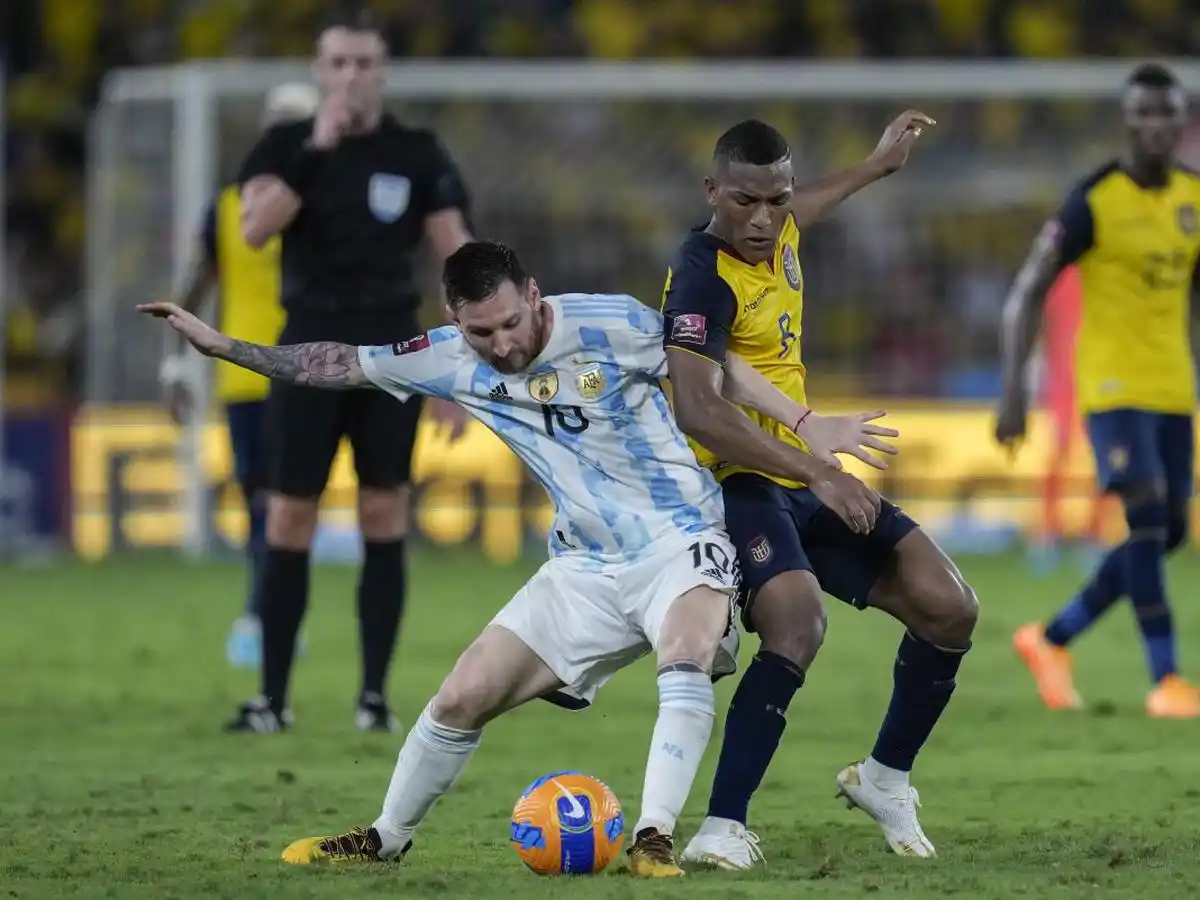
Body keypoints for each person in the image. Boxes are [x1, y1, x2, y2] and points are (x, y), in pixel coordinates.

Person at [139, 240, 894, 876]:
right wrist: (223, 347)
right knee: (459, 697)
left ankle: (653, 836)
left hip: (680, 538)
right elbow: (336, 363)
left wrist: (803, 420)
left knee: (687, 652)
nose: (501, 345)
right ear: (452, 322)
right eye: (479, 333)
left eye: (509, 323)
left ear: (534, 296)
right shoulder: (444, 359)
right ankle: (384, 838)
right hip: (582, 567)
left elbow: (716, 370)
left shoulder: (614, 323)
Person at [663, 116, 980, 867]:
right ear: (713, 191)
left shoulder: (779, 229)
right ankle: (722, 825)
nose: (764, 218)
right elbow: (699, 407)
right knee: (799, 626)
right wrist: (817, 467)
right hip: (738, 482)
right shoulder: (702, 271)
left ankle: (884, 778)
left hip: (804, 475)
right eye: (746, 201)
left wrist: (875, 167)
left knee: (950, 606)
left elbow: (808, 207)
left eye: (778, 200)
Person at [229, 10, 473, 733]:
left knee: (383, 511)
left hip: (393, 353)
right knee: (290, 516)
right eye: (338, 64)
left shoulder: (417, 152)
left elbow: (456, 256)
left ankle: (374, 697)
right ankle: (271, 699)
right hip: (306, 349)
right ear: (318, 70)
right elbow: (254, 227)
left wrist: (461, 361)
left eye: (364, 64)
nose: (351, 77)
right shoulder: (284, 145)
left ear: (383, 71)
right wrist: (318, 146)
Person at [996, 63, 1200, 718]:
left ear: (1182, 120)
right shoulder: (1092, 200)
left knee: (1165, 533)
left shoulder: (1194, 199)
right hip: (1112, 387)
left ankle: (1051, 638)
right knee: (1144, 517)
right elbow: (1028, 289)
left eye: (1168, 113)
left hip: (1173, 386)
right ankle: (1167, 680)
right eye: (1144, 114)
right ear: (1126, 121)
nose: (1157, 126)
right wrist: (1012, 393)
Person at [158, 82, 319, 670]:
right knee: (265, 504)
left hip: (307, 370)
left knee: (286, 503)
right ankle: (264, 615)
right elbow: (194, 285)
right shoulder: (234, 206)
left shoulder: (317, 199)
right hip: (250, 374)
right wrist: (175, 365)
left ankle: (272, 614)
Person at [1028, 266, 1109, 574]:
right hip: (1063, 381)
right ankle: (1048, 534)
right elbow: (1044, 325)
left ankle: (1095, 535)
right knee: (1058, 455)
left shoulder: (1102, 272)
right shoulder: (1059, 275)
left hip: (1098, 379)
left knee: (1101, 457)